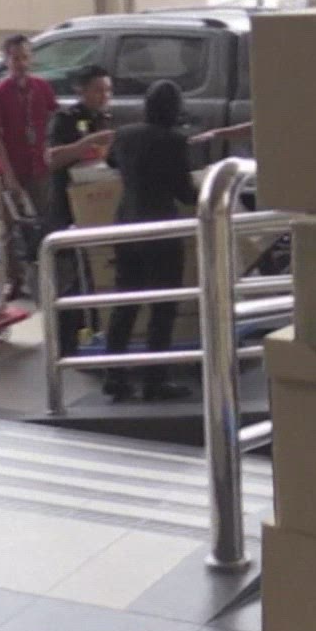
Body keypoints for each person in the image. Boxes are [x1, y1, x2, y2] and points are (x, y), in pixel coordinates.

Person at [103, 80, 200, 402]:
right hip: (160, 231)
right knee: (162, 307)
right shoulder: (174, 141)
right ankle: (154, 380)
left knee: (126, 301)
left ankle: (114, 375)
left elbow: (111, 161)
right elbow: (185, 194)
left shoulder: (125, 134)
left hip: (126, 225)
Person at [45, 65, 118, 362]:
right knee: (72, 279)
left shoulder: (106, 119)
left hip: (96, 206)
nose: (104, 96)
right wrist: (83, 145)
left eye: (108, 90)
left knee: (96, 274)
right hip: (67, 208)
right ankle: (65, 345)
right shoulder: (65, 119)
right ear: (82, 90)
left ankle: (96, 334)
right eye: (98, 90)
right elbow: (51, 159)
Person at [0, 34, 58, 299]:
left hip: (38, 167)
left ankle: (44, 274)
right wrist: (9, 176)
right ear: (7, 61)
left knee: (42, 221)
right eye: (16, 59)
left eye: (25, 57)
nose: (21, 64)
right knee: (9, 227)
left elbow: (53, 116)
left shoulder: (42, 87)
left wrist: (48, 145)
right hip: (10, 169)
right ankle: (13, 279)